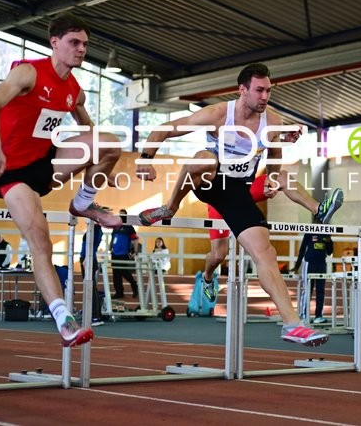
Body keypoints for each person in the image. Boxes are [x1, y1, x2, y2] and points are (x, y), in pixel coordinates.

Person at [135, 62, 329, 347]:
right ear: (243, 90)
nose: (265, 96)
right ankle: (170, 207)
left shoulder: (273, 121)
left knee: (266, 253)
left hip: (237, 192)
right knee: (203, 158)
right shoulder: (217, 114)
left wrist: (273, 179)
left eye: (268, 91)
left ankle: (292, 324)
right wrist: (145, 159)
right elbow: (164, 129)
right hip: (209, 181)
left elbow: (274, 155)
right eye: (259, 90)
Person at [0, 12, 123, 347]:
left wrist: (104, 165)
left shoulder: (73, 89)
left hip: (45, 162)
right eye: (74, 42)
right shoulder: (28, 72)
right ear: (54, 43)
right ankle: (65, 320)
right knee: (40, 239)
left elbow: (90, 133)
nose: (82, 49)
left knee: (110, 143)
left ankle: (83, 203)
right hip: (9, 169)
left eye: (85, 44)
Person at [201, 163, 343, 303]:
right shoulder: (221, 143)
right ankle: (207, 276)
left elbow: (273, 154)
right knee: (219, 254)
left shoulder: (261, 141)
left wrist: (271, 180)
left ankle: (319, 209)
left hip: (244, 189)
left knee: (281, 177)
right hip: (219, 195)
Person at [293, 229, 333, 324]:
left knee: (320, 290)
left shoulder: (326, 233)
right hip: (309, 264)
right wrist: (297, 266)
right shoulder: (309, 232)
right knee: (307, 289)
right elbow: (302, 249)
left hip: (322, 265)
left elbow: (329, 252)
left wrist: (330, 242)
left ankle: (318, 316)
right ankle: (304, 314)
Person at [109, 209, 138, 299]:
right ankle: (119, 292)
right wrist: (110, 247)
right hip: (114, 253)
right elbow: (113, 238)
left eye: (122, 215)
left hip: (123, 254)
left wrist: (135, 252)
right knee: (116, 274)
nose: (120, 217)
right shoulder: (115, 227)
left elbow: (135, 240)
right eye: (119, 215)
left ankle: (134, 286)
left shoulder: (129, 227)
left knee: (124, 272)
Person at [80, 224, 104, 326]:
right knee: (92, 288)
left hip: (88, 259)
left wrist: (86, 259)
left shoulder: (95, 230)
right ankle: (96, 315)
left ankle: (95, 316)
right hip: (89, 259)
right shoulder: (95, 229)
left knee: (91, 288)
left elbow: (91, 245)